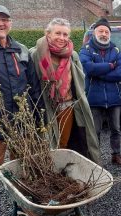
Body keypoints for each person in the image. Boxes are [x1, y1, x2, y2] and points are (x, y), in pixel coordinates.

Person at [0, 4, 41, 216]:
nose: (1, 23)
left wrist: (37, 119)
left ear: (10, 23)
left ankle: (26, 208)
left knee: (26, 170)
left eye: (5, 20)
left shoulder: (20, 50)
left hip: (22, 125)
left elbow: (33, 86)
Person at [30, 18, 101, 165]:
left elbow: (80, 84)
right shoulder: (35, 54)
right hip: (45, 109)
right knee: (46, 144)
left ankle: (61, 174)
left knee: (63, 143)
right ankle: (47, 174)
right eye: (58, 33)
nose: (62, 38)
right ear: (48, 34)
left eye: (65, 34)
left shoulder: (72, 55)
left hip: (66, 107)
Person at [80, 18, 121, 167]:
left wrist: (99, 72)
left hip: (114, 97)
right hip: (94, 98)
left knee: (116, 130)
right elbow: (88, 68)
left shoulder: (116, 50)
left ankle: (116, 155)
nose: (104, 34)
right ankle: (95, 159)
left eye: (106, 32)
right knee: (95, 132)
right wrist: (109, 66)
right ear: (94, 32)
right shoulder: (85, 50)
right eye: (101, 31)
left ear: (110, 35)